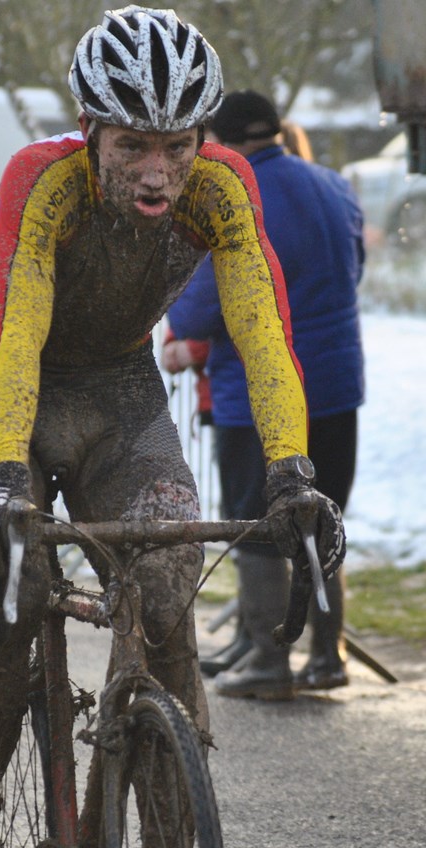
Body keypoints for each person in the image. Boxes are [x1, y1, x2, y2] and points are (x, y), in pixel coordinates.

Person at [0, 6, 345, 848]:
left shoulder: (223, 188)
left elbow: (264, 332)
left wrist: (291, 471)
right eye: (132, 145)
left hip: (118, 390)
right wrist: (1, 479)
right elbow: (17, 335)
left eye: (178, 143)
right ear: (91, 132)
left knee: (165, 588)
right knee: (15, 583)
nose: (159, 169)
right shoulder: (44, 184)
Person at [168, 90, 364, 700]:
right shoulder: (332, 185)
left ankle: (269, 659)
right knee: (321, 516)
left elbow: (201, 309)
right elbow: (352, 268)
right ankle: (326, 655)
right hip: (337, 385)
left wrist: (178, 332)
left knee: (256, 522)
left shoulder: (242, 196)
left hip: (260, 394)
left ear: (223, 142)